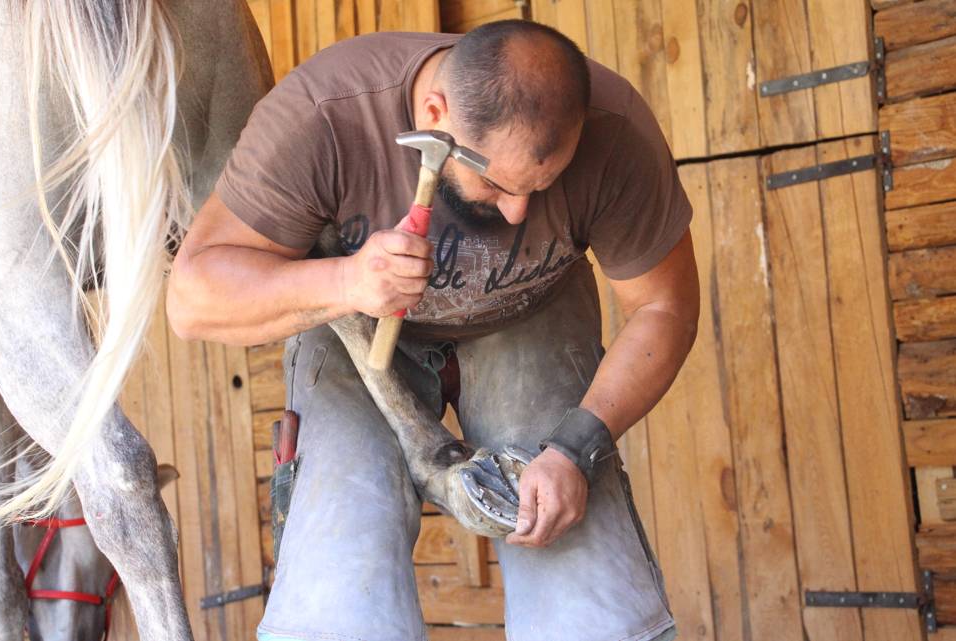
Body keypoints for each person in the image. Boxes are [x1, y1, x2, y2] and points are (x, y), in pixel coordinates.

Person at [167, 19, 699, 641]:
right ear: (434, 112)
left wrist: (576, 450)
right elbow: (192, 299)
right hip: (355, 332)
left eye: (542, 187)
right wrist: (346, 282)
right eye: (497, 183)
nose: (517, 211)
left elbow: (664, 308)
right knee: (340, 598)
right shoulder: (323, 116)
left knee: (591, 609)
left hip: (532, 313)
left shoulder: (615, 132)